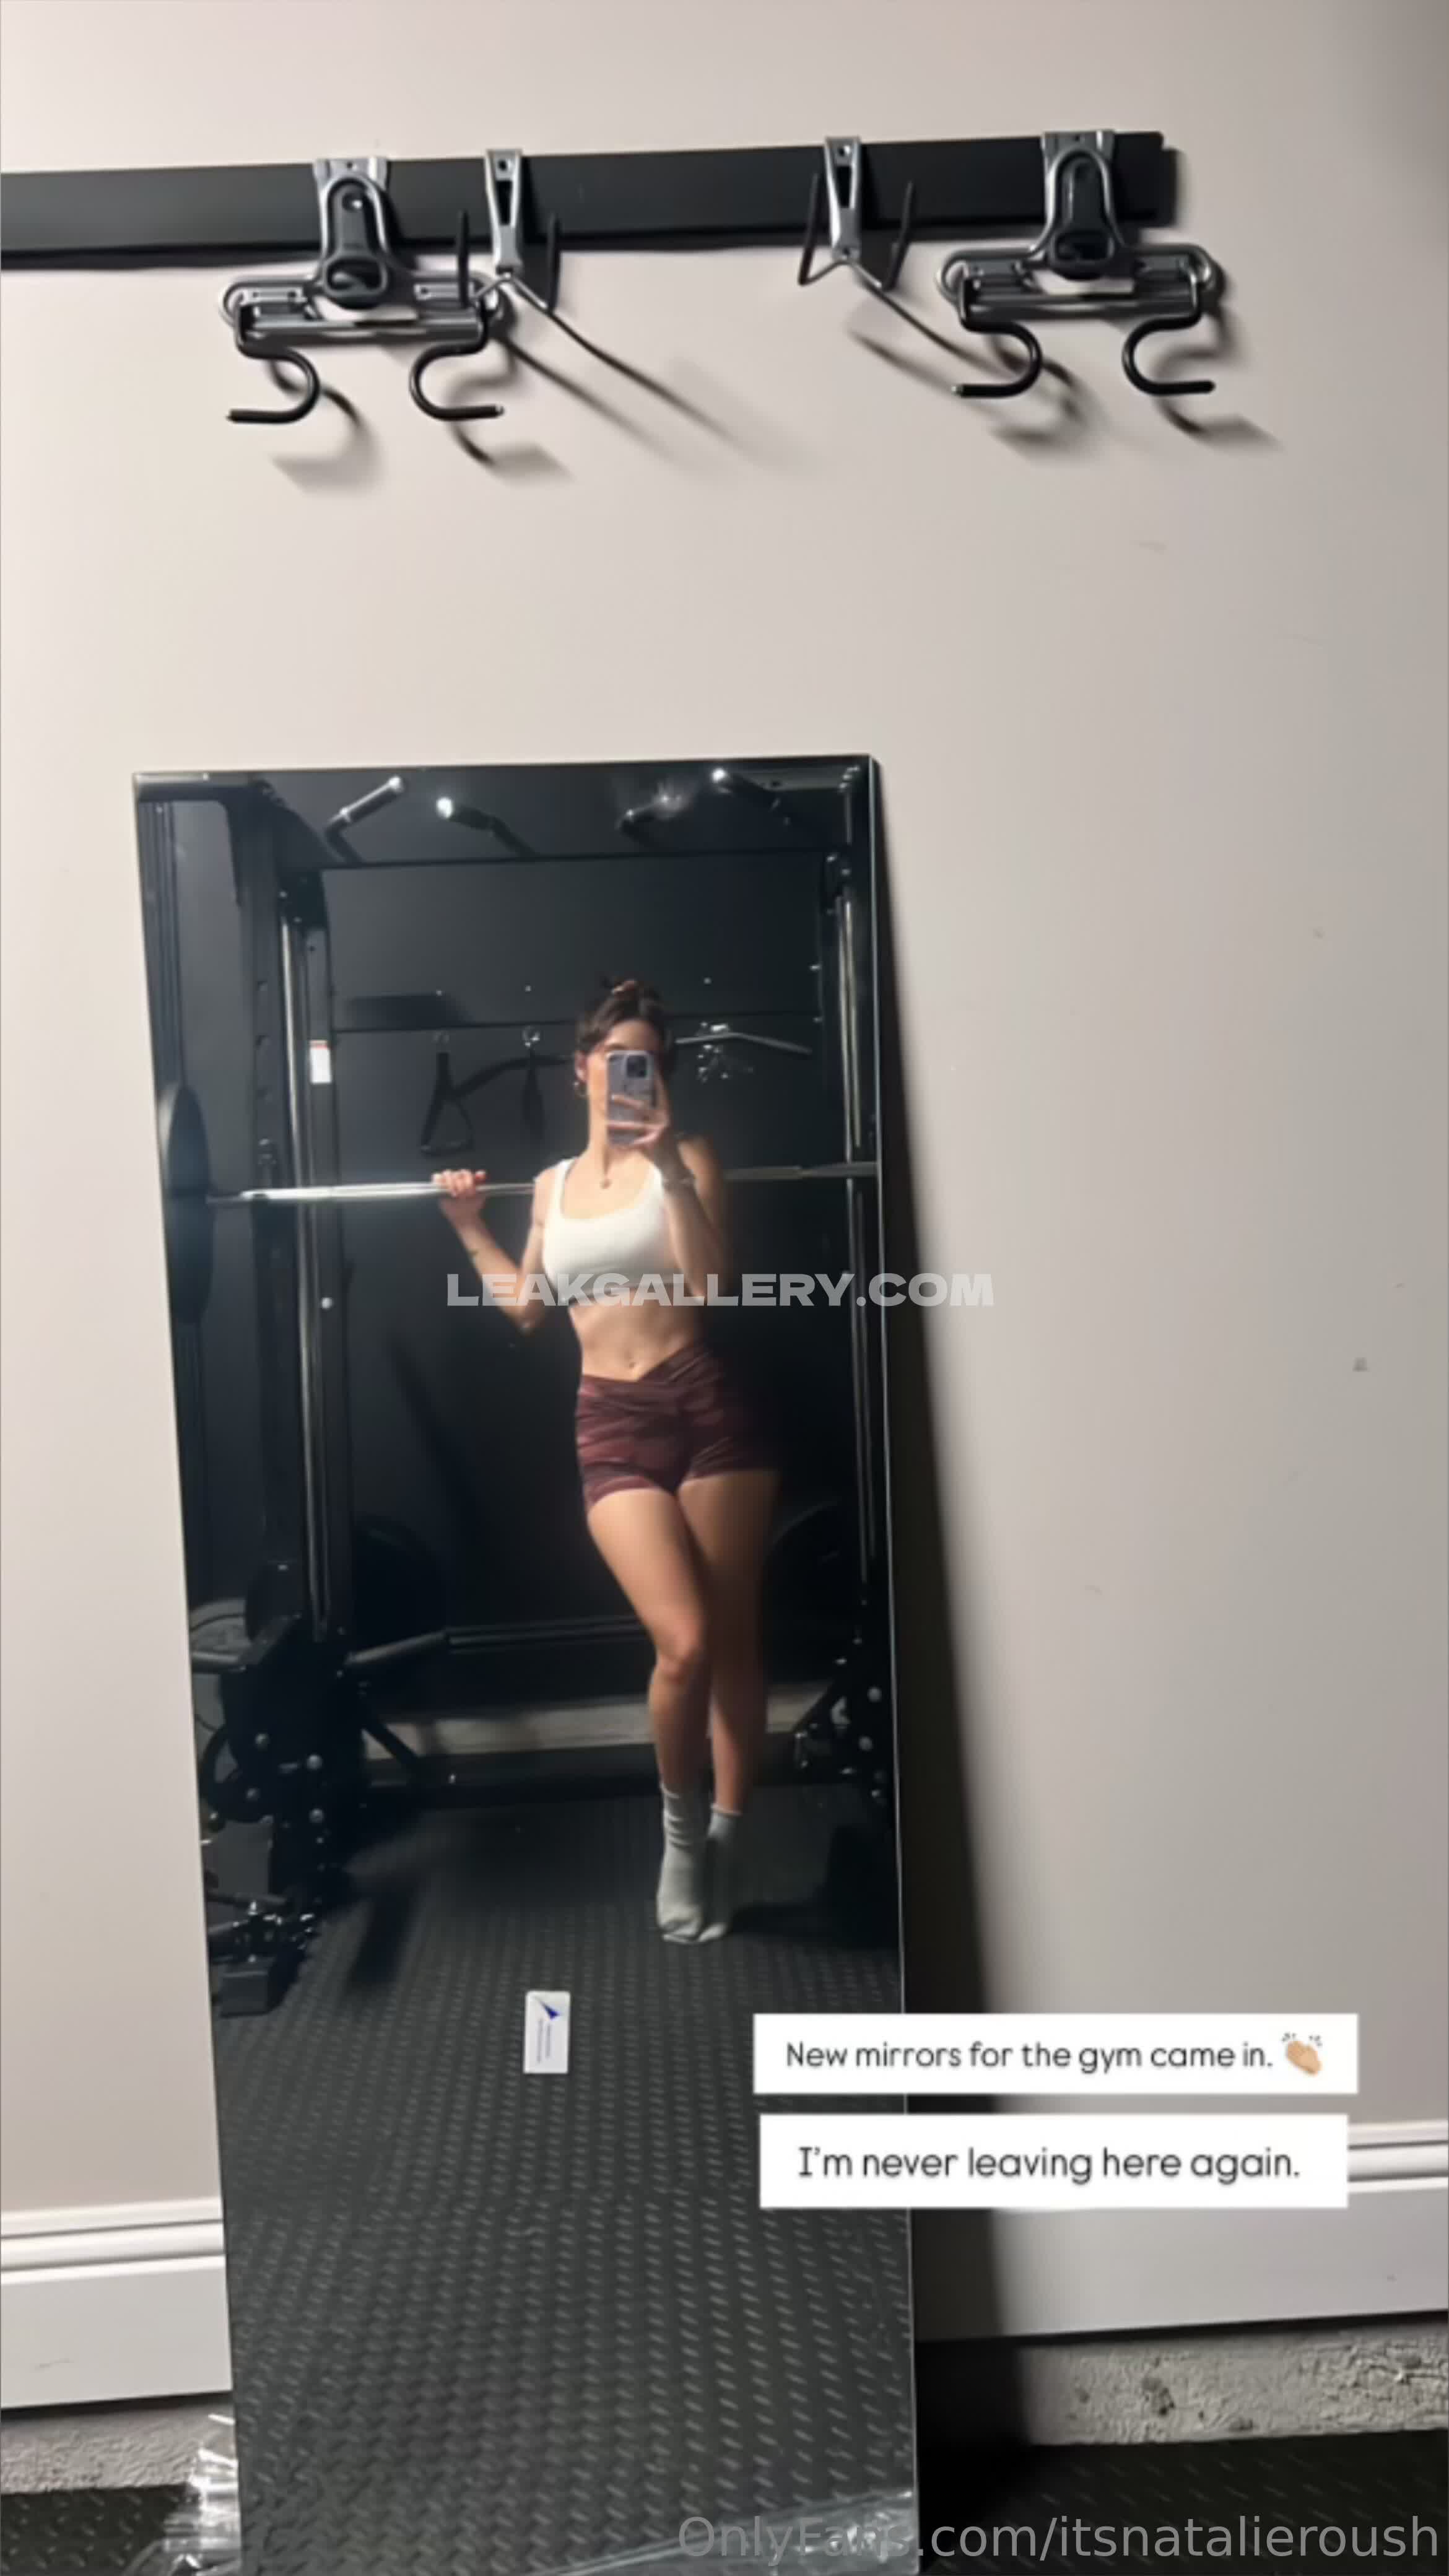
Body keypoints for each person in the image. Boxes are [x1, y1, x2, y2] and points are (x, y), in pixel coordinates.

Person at [435, 978, 777, 1941]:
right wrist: (470, 1229)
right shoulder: (550, 1187)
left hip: (706, 1407)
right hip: (612, 1419)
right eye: (618, 1057)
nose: (634, 1073)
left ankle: (732, 1835)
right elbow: (527, 1311)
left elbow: (712, 1286)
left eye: (650, 1061)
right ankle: (681, 1837)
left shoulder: (689, 1156)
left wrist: (667, 1163)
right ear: (581, 1067)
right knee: (685, 1644)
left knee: (735, 1641)